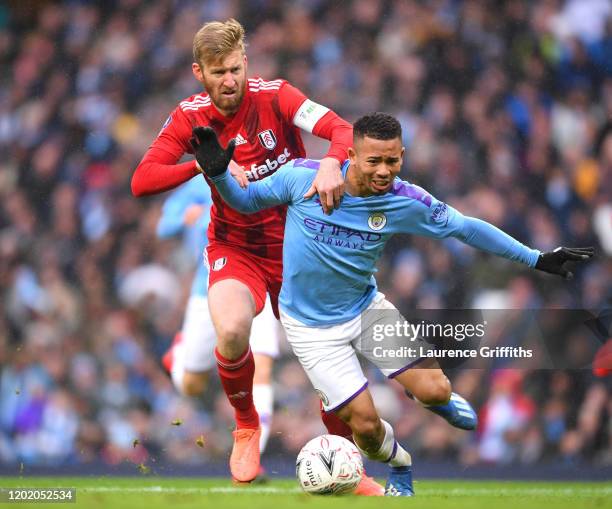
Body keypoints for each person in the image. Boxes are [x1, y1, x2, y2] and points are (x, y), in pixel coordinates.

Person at [193, 112, 594, 496]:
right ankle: (401, 462)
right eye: (374, 161)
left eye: (393, 160)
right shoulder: (302, 179)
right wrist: (217, 173)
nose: (385, 170)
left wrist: (537, 258)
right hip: (312, 330)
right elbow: (245, 202)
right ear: (349, 156)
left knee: (435, 391)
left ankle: (438, 399)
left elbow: (467, 229)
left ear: (402, 155)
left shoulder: (405, 200)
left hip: (367, 311)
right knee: (366, 428)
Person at [131, 18, 388, 492]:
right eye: (217, 72)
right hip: (236, 247)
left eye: (235, 69)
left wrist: (332, 161)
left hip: (298, 250)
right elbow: (142, 179)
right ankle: (246, 425)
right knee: (230, 330)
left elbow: (342, 129)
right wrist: (200, 166)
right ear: (199, 73)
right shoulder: (189, 117)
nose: (229, 81)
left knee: (327, 365)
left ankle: (352, 470)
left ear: (245, 62)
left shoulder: (276, 96)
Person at [155, 177, 280, 460]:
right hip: (210, 288)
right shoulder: (201, 182)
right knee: (191, 385)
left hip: (260, 283)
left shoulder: (270, 171)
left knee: (261, 368)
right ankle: (179, 355)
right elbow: (163, 225)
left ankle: (252, 456)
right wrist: (186, 218)